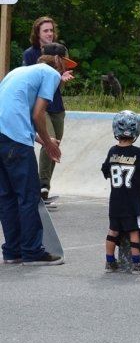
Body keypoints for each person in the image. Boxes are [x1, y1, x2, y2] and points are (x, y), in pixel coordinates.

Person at [0, 44, 75, 265]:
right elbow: (37, 114)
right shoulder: (50, 73)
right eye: (65, 66)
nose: (63, 73)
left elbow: (16, 114)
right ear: (59, 60)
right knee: (28, 196)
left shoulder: (18, 72)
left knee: (7, 198)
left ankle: (12, 252)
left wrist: (44, 141)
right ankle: (32, 252)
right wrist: (51, 146)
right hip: (16, 141)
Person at [101, 110, 140, 274]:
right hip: (132, 204)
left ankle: (110, 262)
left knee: (113, 231)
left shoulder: (112, 151)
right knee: (134, 231)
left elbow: (105, 169)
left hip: (115, 203)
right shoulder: (139, 153)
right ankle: (136, 264)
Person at [22, 16, 75, 201]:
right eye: (46, 30)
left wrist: (62, 79)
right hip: (40, 105)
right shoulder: (30, 54)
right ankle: (42, 187)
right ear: (37, 33)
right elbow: (30, 83)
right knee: (48, 140)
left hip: (57, 105)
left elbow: (59, 86)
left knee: (55, 144)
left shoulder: (60, 51)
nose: (50, 34)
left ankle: (45, 187)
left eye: (51, 30)